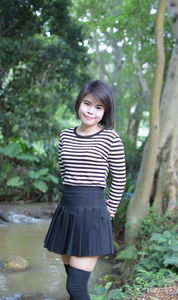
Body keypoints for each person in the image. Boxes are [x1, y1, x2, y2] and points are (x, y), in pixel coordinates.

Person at [44, 80, 126, 300]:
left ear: (105, 111)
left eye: (99, 107)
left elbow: (119, 179)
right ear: (79, 102)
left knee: (76, 287)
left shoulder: (110, 138)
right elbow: (65, 172)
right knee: (73, 283)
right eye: (87, 104)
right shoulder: (66, 136)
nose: (91, 111)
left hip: (93, 213)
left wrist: (107, 213)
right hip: (67, 211)